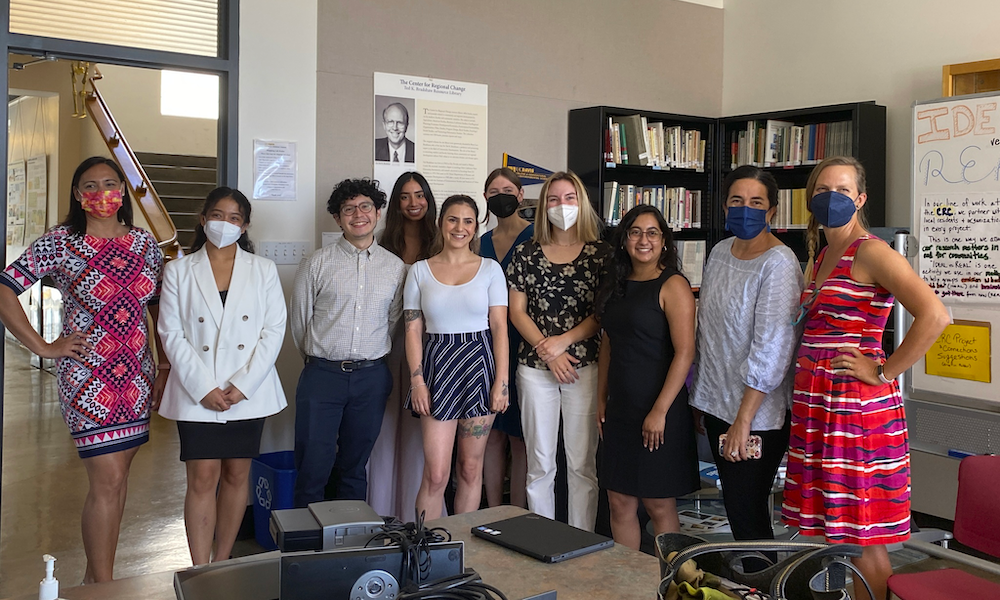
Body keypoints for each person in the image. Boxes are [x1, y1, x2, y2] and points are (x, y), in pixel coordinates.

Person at [781, 156, 950, 600]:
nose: (830, 198)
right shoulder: (821, 254)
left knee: (862, 536)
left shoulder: (871, 250)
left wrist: (884, 371)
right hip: (820, 406)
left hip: (854, 409)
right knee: (837, 529)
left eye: (841, 191)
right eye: (821, 190)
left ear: (860, 199)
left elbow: (935, 315)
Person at [0, 157, 164, 583]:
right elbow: (5, 289)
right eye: (89, 185)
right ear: (77, 194)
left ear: (123, 190)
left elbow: (158, 306)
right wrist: (43, 345)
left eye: (110, 183)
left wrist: (162, 365)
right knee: (107, 477)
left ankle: (96, 578)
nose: (101, 191)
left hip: (136, 375)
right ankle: (104, 586)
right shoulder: (61, 243)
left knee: (118, 477)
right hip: (88, 376)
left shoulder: (145, 245)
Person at [157, 187, 287, 565]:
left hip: (248, 392)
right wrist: (203, 387)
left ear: (244, 226)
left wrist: (243, 386)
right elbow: (170, 332)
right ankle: (200, 568)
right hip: (197, 392)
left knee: (236, 476)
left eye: (234, 218)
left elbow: (273, 330)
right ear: (202, 219)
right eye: (217, 215)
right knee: (201, 479)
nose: (224, 224)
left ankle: (224, 562)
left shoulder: (262, 269)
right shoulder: (179, 270)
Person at [689, 165, 804, 543]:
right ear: (724, 206)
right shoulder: (721, 251)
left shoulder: (780, 263)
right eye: (737, 200)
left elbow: (772, 348)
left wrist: (744, 419)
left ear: (772, 211)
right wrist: (702, 399)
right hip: (719, 404)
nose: (746, 209)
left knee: (748, 510)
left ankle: (763, 587)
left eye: (757, 202)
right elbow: (709, 331)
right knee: (738, 509)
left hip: (757, 415)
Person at [290, 178, 407, 507]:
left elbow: (393, 323)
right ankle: (305, 549)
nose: (358, 214)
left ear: (379, 212)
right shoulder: (316, 263)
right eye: (348, 209)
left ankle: (350, 548)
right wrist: (321, 361)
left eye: (365, 206)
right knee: (313, 466)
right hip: (322, 377)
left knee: (354, 467)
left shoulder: (395, 268)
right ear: (338, 218)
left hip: (371, 378)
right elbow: (300, 323)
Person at [507, 171, 611, 531]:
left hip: (585, 368)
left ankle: (581, 540)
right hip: (535, 370)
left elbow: (603, 313)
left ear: (580, 203)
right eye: (553, 199)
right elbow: (516, 310)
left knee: (582, 464)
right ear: (542, 206)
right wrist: (547, 351)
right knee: (540, 463)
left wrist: (563, 343)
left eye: (569, 198)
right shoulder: (526, 252)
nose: (561, 206)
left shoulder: (602, 254)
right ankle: (544, 538)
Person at [594, 205, 699, 550]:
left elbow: (685, 352)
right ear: (624, 240)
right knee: (619, 501)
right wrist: (600, 398)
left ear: (664, 241)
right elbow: (608, 342)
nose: (643, 239)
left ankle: (675, 585)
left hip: (659, 410)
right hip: (621, 409)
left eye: (652, 232)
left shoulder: (673, 285)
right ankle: (631, 585)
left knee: (658, 504)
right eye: (635, 231)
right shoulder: (617, 284)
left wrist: (660, 411)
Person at [405, 195, 509, 518]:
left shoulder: (490, 270)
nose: (459, 227)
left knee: (469, 467)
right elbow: (411, 330)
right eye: (452, 219)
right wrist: (417, 381)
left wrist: (501, 382)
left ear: (476, 226)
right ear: (441, 224)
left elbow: (499, 329)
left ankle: (462, 550)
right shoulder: (419, 272)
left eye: (467, 221)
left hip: (479, 366)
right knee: (436, 474)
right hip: (436, 366)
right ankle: (426, 555)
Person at [367, 172, 438, 520]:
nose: (414, 203)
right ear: (396, 203)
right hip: (388, 342)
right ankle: (380, 514)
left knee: (417, 431)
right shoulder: (381, 244)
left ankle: (414, 518)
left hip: (431, 348)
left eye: (420, 195)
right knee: (384, 427)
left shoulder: (441, 242)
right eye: (406, 196)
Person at [479, 167, 533, 509]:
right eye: (494, 190)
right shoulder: (480, 241)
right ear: (485, 197)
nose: (501, 195)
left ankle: (518, 513)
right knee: (490, 434)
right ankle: (495, 509)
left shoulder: (535, 238)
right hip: (486, 345)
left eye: (508, 189)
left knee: (521, 437)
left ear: (520, 195)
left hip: (524, 343)